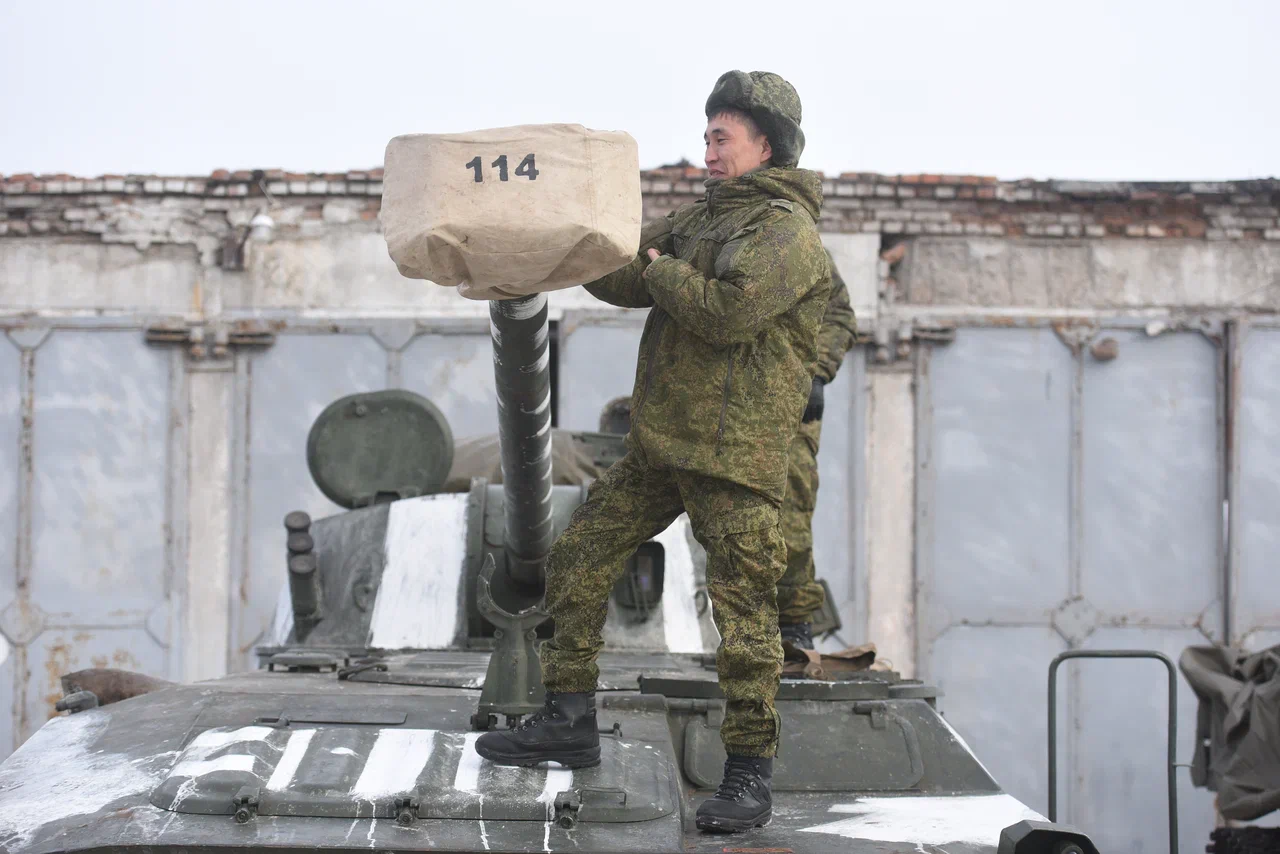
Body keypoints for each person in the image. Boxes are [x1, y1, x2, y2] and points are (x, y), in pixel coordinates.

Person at [476, 69, 831, 834]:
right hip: (664, 443)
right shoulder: (702, 222)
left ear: (765, 145)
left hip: (734, 455)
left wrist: (660, 266)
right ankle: (569, 716)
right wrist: (566, 244)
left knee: (743, 622)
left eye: (721, 137)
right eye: (705, 135)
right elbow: (623, 278)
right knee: (576, 560)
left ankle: (746, 774)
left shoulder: (785, 234)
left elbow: (729, 314)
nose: (707, 149)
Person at [777, 248, 856, 650]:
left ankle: (792, 621)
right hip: (705, 402)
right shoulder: (699, 230)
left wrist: (817, 373)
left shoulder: (798, 242)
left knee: (789, 506)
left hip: (781, 405)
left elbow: (838, 314)